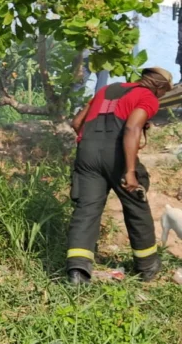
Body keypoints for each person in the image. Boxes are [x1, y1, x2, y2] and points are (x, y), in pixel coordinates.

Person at [65, 67, 174, 284]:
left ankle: (78, 271)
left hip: (86, 152)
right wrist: (130, 171)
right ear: (160, 87)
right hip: (116, 154)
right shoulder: (148, 97)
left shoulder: (107, 89)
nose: (161, 96)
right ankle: (147, 266)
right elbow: (132, 128)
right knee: (136, 204)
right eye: (164, 92)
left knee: (86, 209)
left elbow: (77, 123)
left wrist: (91, 144)